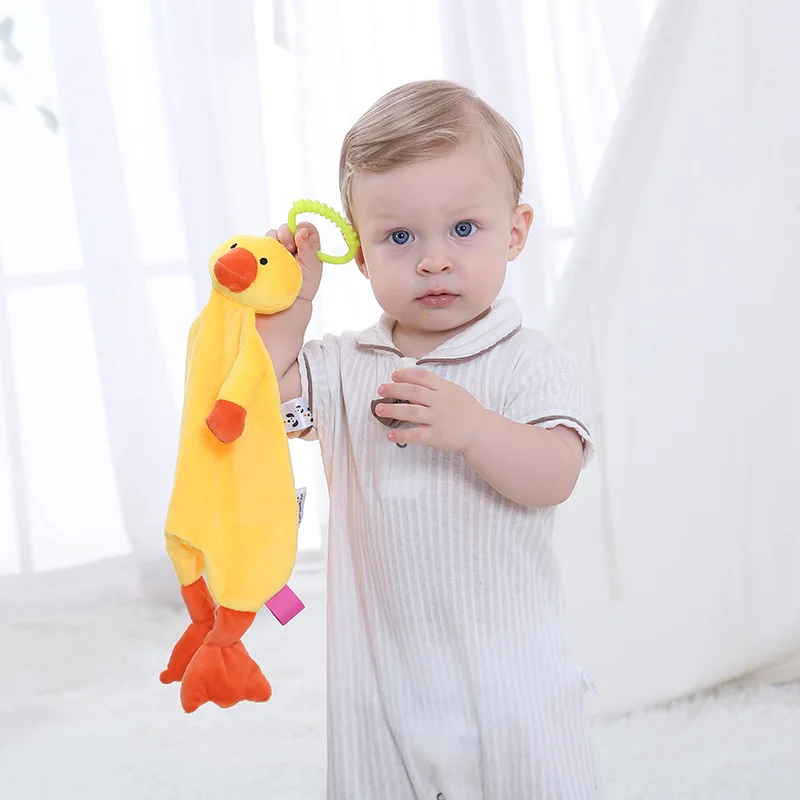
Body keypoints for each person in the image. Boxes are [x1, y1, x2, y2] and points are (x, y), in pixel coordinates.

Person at [257, 79, 600, 800]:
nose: (433, 260)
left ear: (515, 231)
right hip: (381, 683)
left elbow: (556, 475)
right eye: (400, 237)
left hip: (511, 684)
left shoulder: (529, 361)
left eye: (464, 229)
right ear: (361, 254)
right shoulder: (347, 365)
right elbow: (265, 392)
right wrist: (292, 304)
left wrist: (474, 430)